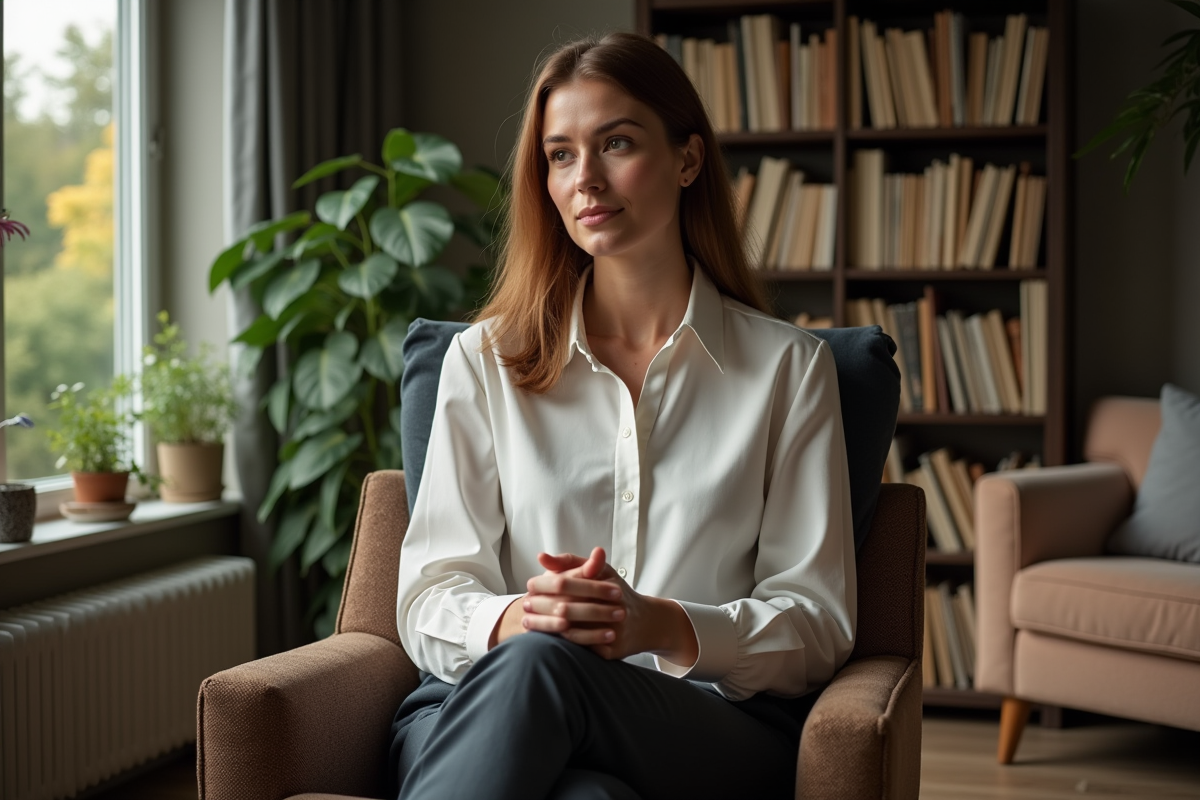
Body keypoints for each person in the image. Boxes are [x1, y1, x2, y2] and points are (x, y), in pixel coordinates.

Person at [389, 31, 855, 800]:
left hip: (701, 729)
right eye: (561, 154)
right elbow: (429, 595)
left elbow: (815, 623)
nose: (586, 181)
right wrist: (523, 619)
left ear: (687, 160)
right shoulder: (483, 362)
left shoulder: (789, 370)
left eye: (617, 144)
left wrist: (660, 627)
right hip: (489, 711)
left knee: (547, 671)